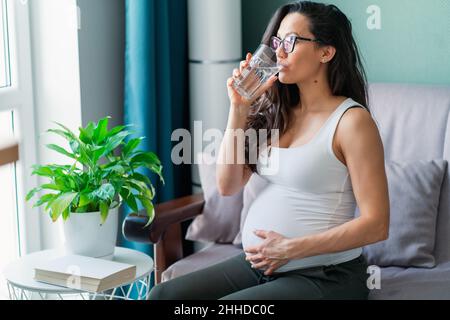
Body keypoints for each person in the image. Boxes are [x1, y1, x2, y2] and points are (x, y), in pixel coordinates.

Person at [149, 1, 389, 300]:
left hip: (325, 275)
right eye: (277, 41)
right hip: (262, 265)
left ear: (326, 52)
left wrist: (290, 247)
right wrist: (238, 108)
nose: (279, 51)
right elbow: (228, 185)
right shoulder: (278, 112)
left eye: (291, 41)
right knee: (162, 296)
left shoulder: (351, 122)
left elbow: (376, 225)